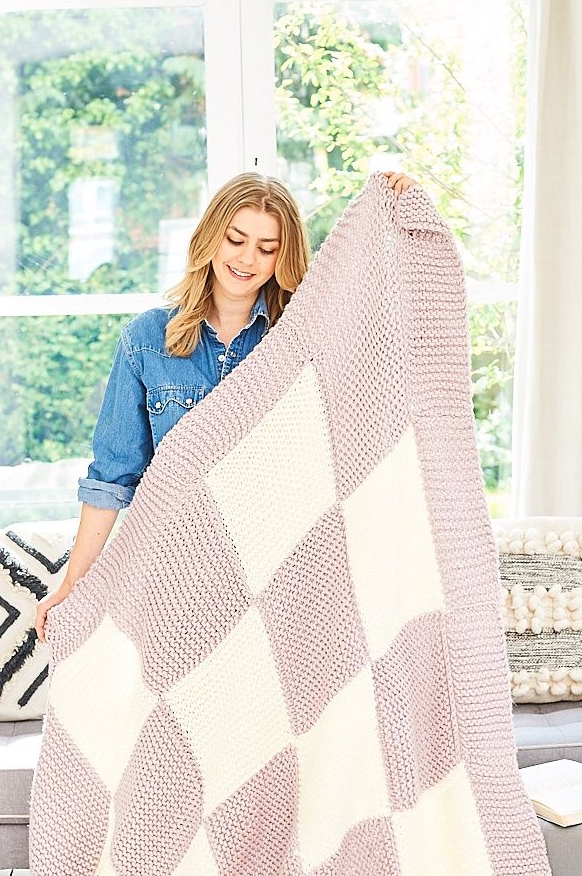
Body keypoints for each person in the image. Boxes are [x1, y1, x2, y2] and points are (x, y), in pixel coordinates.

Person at [34, 167, 416, 641]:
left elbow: (373, 318)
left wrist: (393, 216)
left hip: (282, 572)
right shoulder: (147, 341)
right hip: (177, 574)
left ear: (283, 256)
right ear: (210, 237)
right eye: (235, 239)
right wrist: (73, 582)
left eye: (266, 247)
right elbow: (112, 478)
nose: (247, 258)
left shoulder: (300, 340)